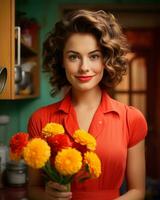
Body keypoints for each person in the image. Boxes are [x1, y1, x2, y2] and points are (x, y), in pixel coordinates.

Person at [27, 9, 148, 200]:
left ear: (106, 60)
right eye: (73, 56)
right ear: (61, 61)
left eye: (94, 56)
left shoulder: (131, 118)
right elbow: (32, 189)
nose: (84, 67)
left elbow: (138, 191)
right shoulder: (40, 119)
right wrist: (47, 196)